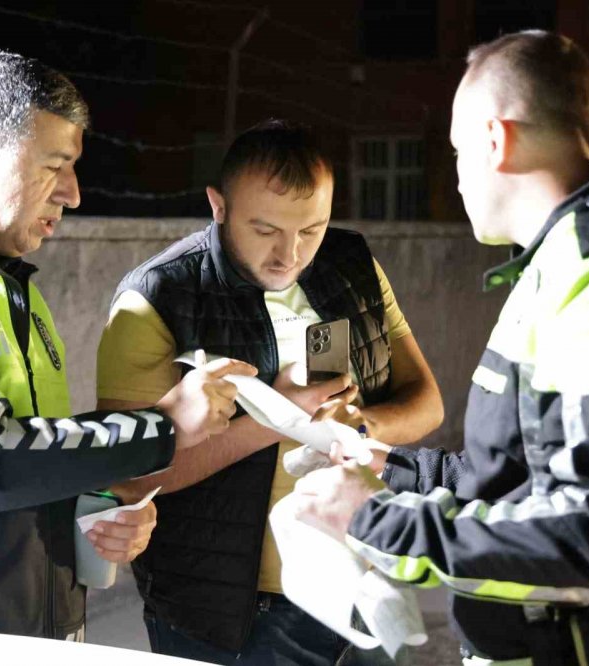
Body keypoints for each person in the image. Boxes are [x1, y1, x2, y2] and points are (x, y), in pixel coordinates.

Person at [293, 31, 589, 666]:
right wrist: (382, 463)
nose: (454, 177)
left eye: (455, 151)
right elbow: (521, 473)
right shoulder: (570, 264)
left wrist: (377, 521)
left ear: (495, 141)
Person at [0, 52, 255, 640]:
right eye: (55, 166)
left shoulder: (11, 287)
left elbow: (39, 458)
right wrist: (160, 426)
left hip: (30, 635)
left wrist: (101, 505)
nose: (75, 194)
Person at [95, 119, 444, 664]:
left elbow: (426, 402)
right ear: (218, 205)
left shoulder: (352, 266)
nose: (291, 254)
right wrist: (277, 418)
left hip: (355, 576)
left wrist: (355, 427)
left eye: (312, 229)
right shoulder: (158, 295)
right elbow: (127, 474)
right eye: (265, 231)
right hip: (225, 607)